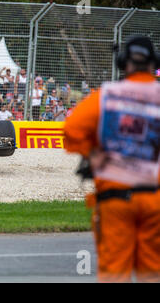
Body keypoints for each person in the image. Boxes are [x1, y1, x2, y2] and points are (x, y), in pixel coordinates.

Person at [64, 35, 160, 282]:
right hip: (154, 198)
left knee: (114, 274)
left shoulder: (107, 95)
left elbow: (71, 129)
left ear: (122, 62)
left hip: (115, 198)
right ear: (153, 63)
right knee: (152, 273)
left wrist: (92, 153)